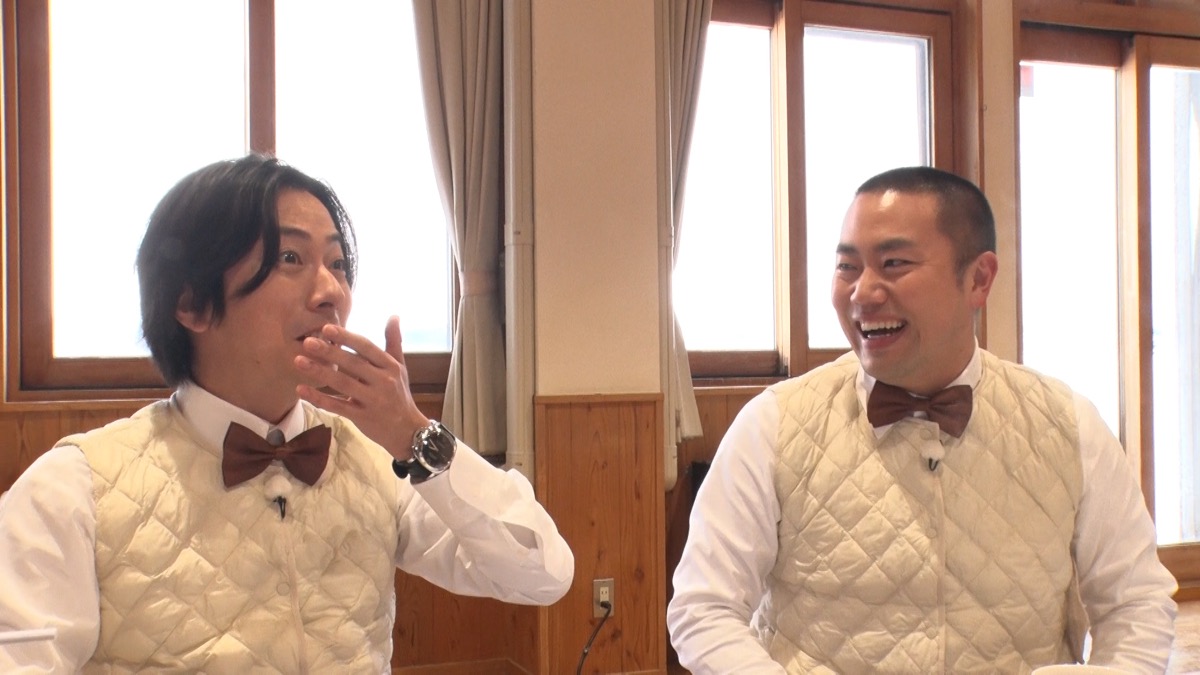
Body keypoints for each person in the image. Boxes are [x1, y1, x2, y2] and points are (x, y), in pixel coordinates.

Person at [0, 154, 574, 672]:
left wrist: (415, 437)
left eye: (338, 263)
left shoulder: (379, 462)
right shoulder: (74, 489)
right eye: (290, 258)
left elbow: (542, 574)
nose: (331, 292)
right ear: (192, 303)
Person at [667, 166, 1177, 673]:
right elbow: (704, 607)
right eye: (847, 267)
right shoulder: (774, 425)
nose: (862, 292)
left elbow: (1136, 604)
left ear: (978, 279)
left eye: (893, 264)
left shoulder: (1067, 424)